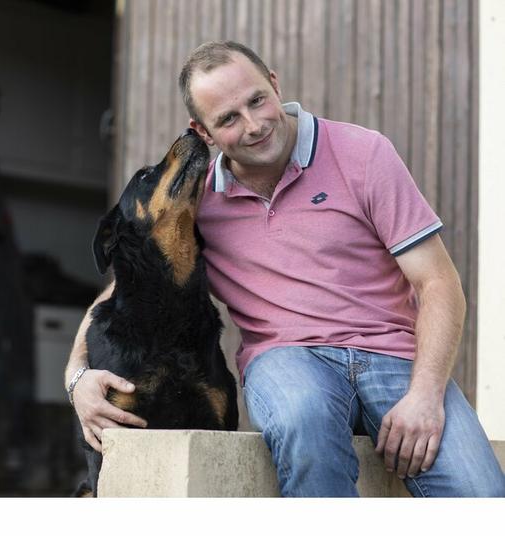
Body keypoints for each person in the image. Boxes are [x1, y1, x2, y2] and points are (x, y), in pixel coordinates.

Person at [64, 41, 505, 497]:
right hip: (287, 359)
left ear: (274, 84)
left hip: (393, 356)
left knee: (485, 498)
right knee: (305, 421)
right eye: (229, 119)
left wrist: (426, 394)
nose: (254, 126)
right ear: (204, 131)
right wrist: (77, 377)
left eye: (256, 100)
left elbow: (438, 282)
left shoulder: (363, 153)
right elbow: (126, 288)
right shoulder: (200, 203)